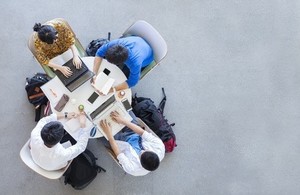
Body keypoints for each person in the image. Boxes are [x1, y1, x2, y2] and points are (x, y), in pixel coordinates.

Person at [100, 111, 165, 176]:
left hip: (119, 142)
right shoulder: (159, 146)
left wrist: (109, 134)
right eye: (145, 150)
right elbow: (142, 132)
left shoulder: (132, 169)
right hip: (134, 132)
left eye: (141, 154)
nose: (142, 150)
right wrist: (123, 121)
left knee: (100, 128)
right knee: (124, 108)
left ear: (141, 163)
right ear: (153, 152)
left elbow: (118, 153)